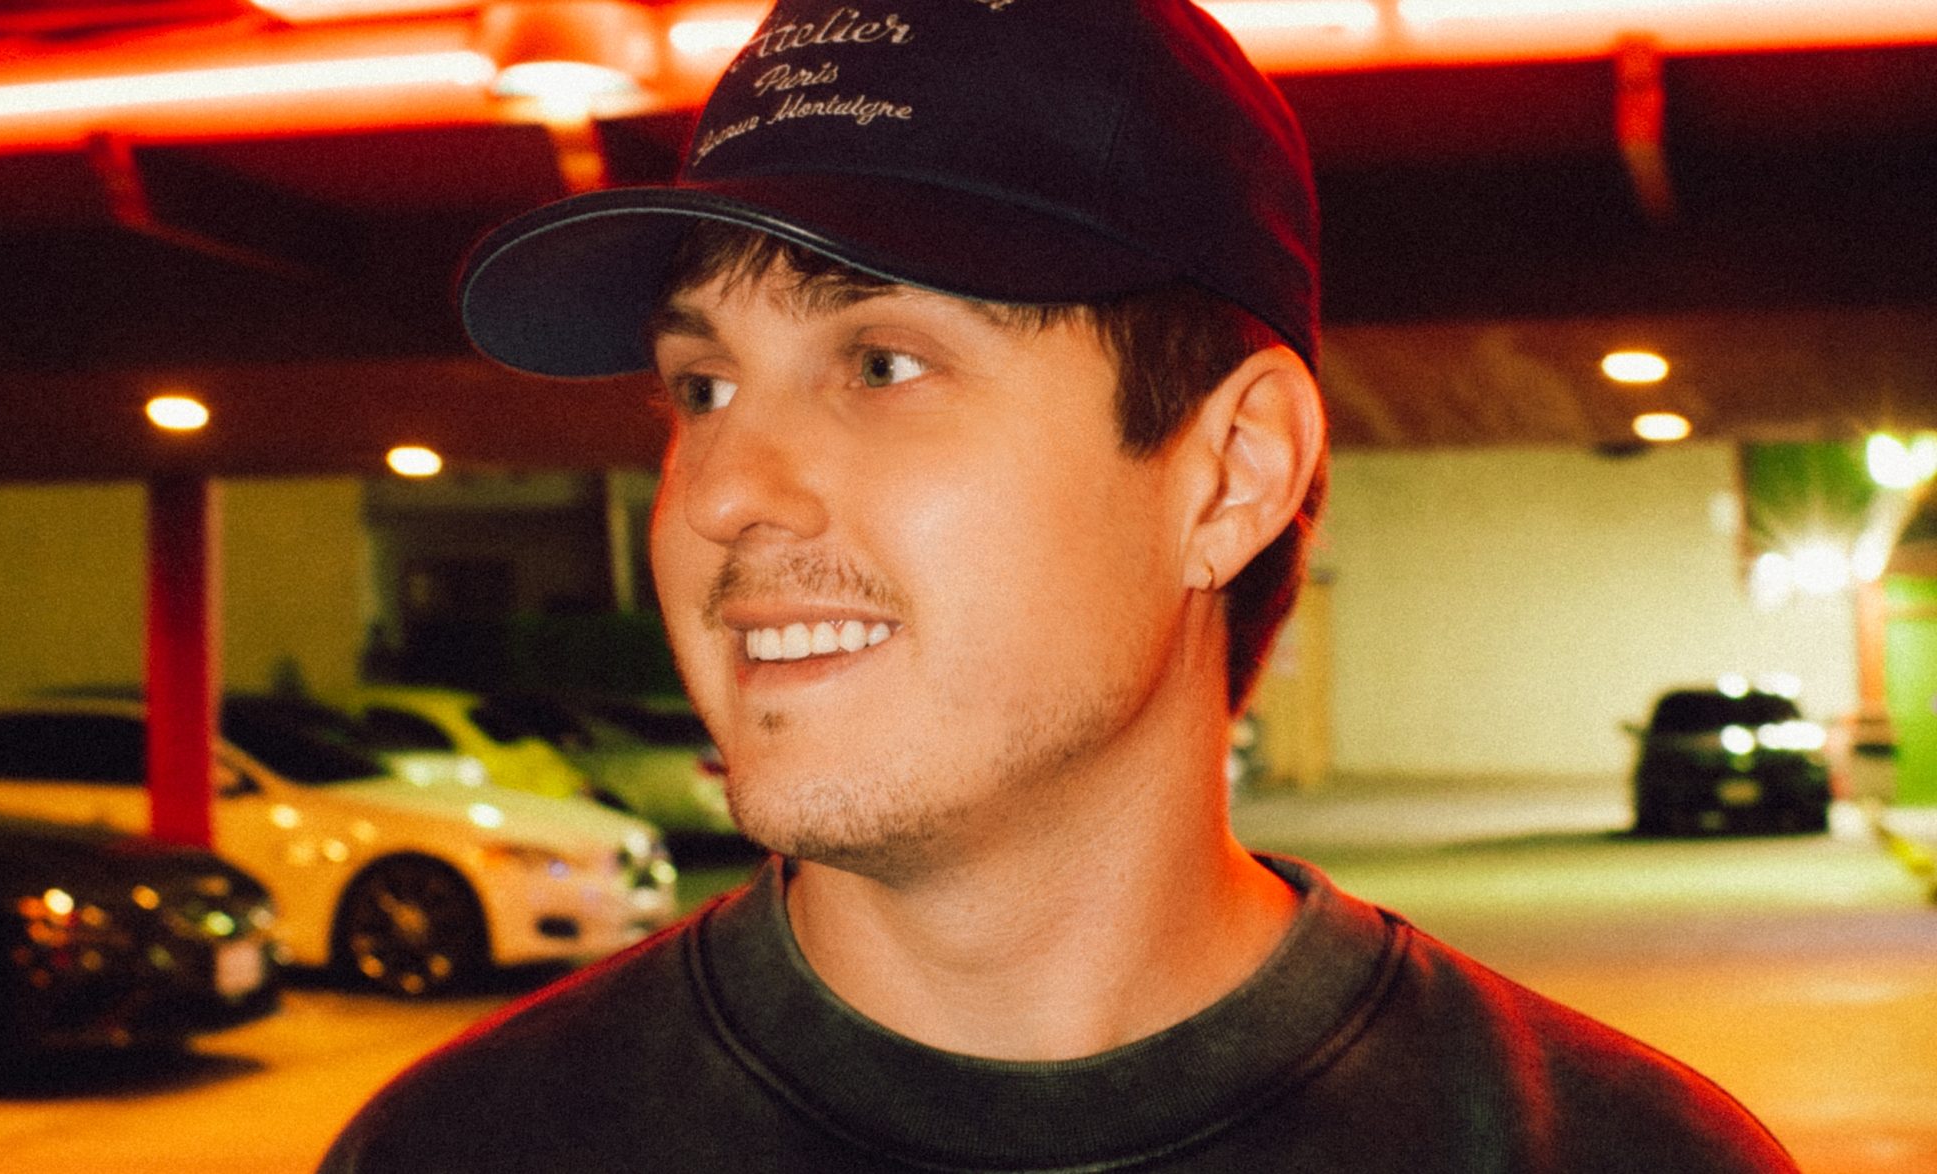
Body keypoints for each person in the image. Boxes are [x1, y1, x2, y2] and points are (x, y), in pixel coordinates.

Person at [321, 1, 1798, 1169]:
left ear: (1229, 476)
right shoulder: (463, 1148)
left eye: (881, 364)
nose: (717, 495)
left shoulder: (1607, 1154)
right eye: (702, 387)